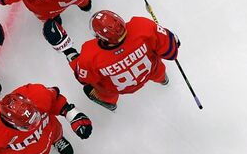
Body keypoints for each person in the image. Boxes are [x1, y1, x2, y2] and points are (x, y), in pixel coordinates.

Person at [42, 11, 180, 110]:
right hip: (150, 71)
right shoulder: (142, 26)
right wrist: (171, 38)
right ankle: (163, 79)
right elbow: (171, 51)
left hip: (119, 88)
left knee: (101, 89)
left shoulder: (91, 54)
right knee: (157, 69)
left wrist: (66, 48)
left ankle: (110, 103)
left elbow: (83, 78)